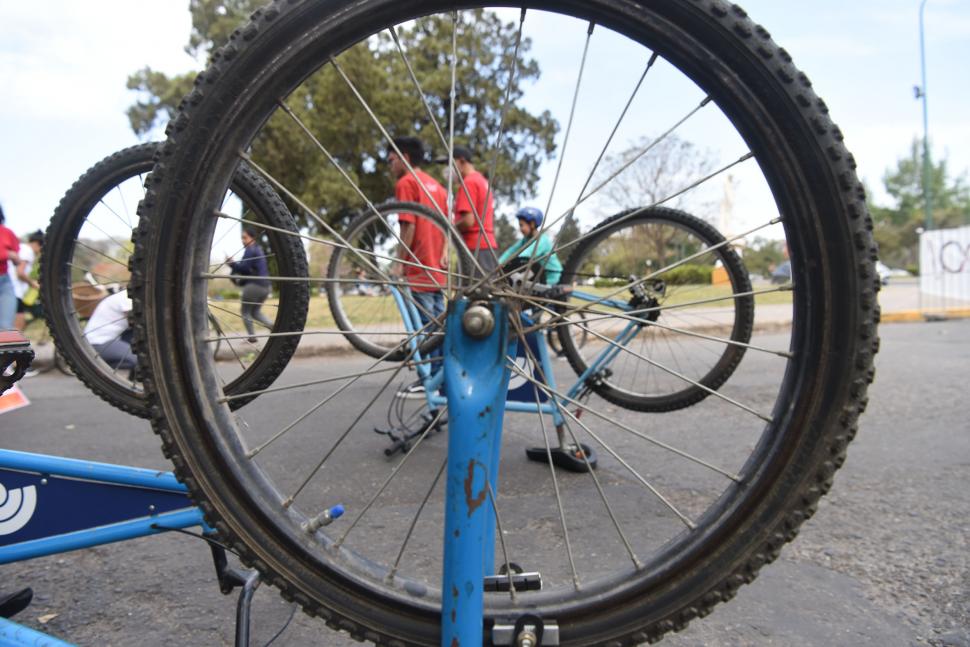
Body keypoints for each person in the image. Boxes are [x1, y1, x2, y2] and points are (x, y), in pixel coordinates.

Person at [388, 137, 449, 328]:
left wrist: (399, 263)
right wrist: (445, 253)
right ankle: (440, 360)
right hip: (438, 270)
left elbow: (409, 226)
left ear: (404, 157)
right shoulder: (437, 187)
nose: (390, 166)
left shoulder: (406, 183)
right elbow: (447, 225)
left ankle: (428, 359)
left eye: (391, 161)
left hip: (417, 269)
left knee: (422, 331)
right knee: (439, 330)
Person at [437, 145, 498, 276]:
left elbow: (468, 221)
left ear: (461, 161)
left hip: (474, 248)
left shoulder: (468, 183)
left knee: (472, 293)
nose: (448, 170)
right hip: (487, 246)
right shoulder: (481, 181)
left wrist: (449, 228)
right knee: (486, 293)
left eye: (451, 164)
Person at [228, 227, 274, 343]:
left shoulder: (250, 250)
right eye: (242, 238)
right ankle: (273, 327)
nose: (243, 240)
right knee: (255, 312)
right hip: (266, 286)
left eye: (245, 237)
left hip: (254, 285)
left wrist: (232, 264)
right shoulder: (258, 250)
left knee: (245, 312)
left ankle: (252, 337)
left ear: (252, 238)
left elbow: (244, 268)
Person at [84, 289, 136, 370]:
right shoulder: (126, 297)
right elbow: (136, 322)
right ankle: (99, 368)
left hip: (109, 340)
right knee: (138, 359)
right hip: (97, 343)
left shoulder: (121, 295)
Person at [13, 230, 44, 331]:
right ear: (37, 244)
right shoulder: (28, 251)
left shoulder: (20, 248)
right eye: (41, 248)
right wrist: (33, 283)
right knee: (18, 326)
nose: (39, 252)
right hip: (14, 291)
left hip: (10, 291)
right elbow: (20, 272)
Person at [0, 205, 22, 330]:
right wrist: (6, 254)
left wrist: (14, 257)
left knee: (5, 327)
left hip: (4, 282)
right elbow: (8, 254)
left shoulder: (7, 232)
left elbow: (17, 261)